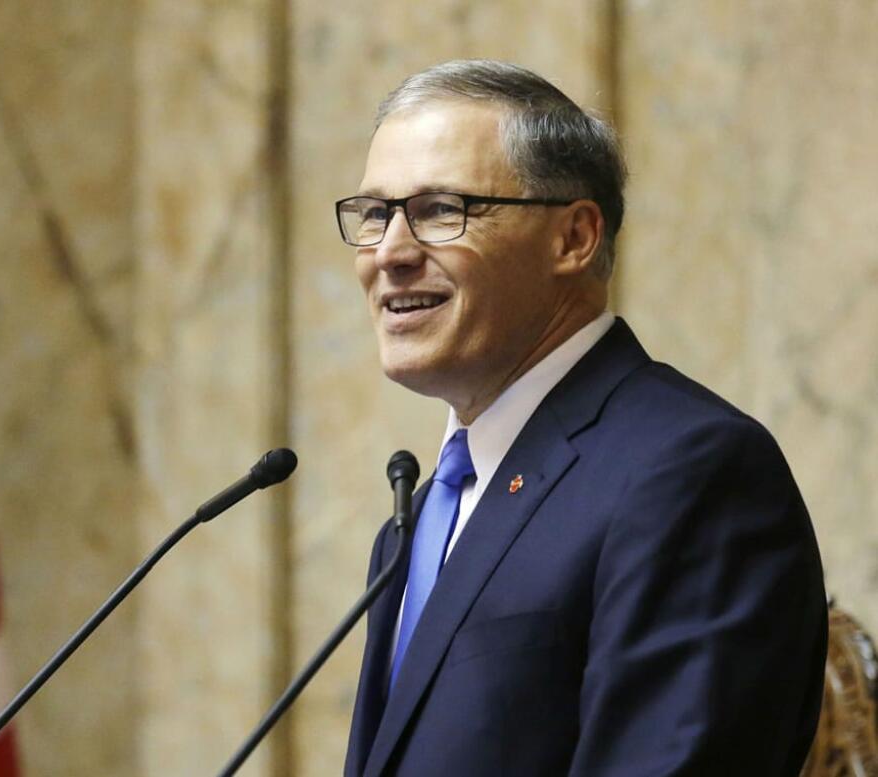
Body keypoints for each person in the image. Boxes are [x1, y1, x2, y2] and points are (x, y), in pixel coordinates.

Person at [340, 60, 827, 777]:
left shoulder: (692, 473)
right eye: (376, 214)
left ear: (573, 238)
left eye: (441, 210)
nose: (391, 252)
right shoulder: (413, 523)